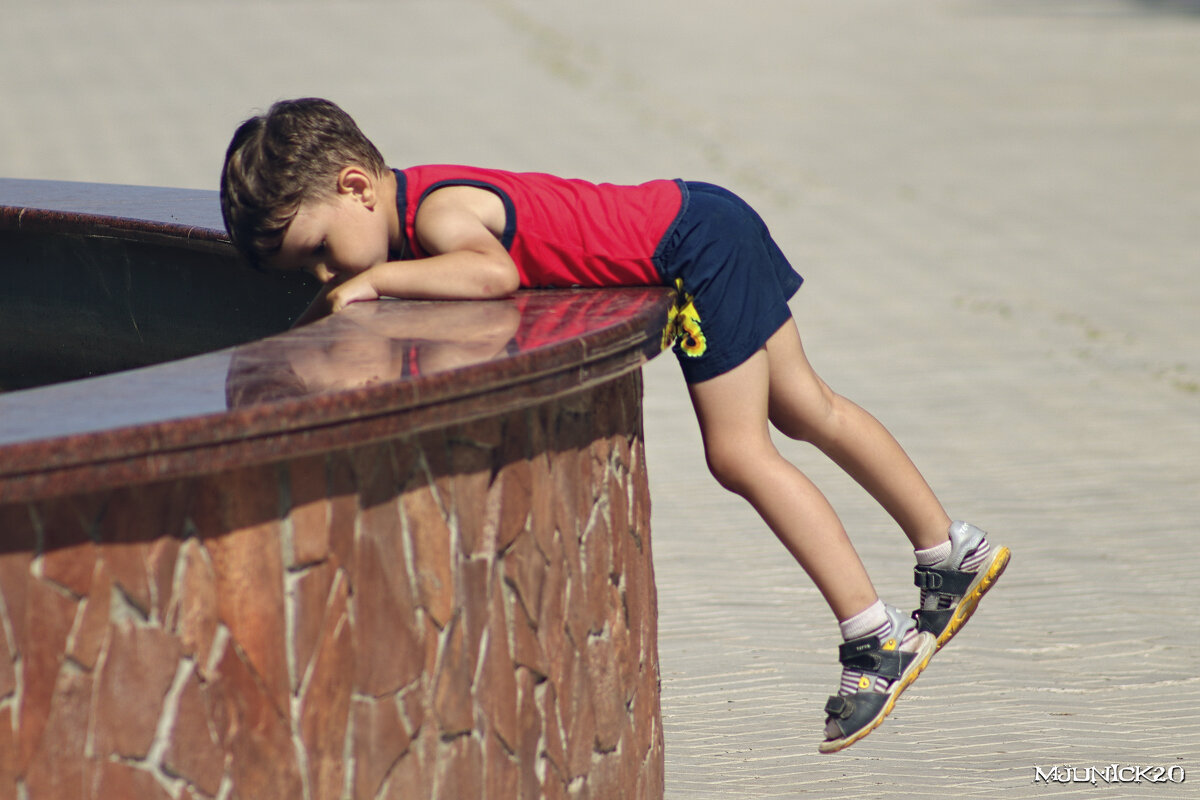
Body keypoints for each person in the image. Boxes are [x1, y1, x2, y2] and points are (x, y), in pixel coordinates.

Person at [220, 97, 1010, 753]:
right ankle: (950, 551)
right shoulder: (421, 195)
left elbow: (490, 274)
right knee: (810, 407)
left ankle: (874, 641)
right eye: (312, 272)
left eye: (320, 252)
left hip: (691, 249)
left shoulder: (434, 217)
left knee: (738, 454)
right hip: (705, 214)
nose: (329, 276)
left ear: (357, 187)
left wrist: (378, 284)